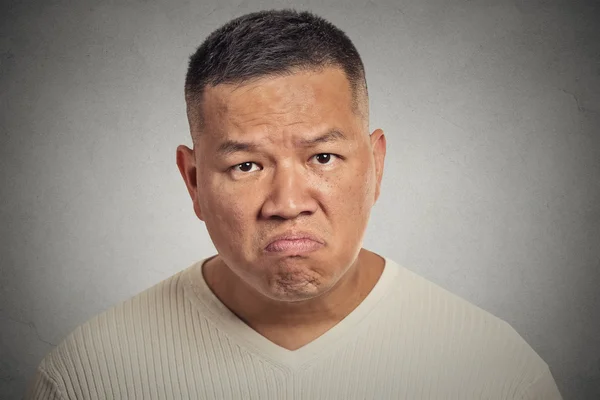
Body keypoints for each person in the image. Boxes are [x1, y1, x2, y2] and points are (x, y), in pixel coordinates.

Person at [26, 9, 562, 399]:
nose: (286, 204)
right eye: (246, 166)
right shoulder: (86, 376)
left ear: (375, 165)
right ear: (193, 182)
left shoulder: (495, 372)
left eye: (323, 158)